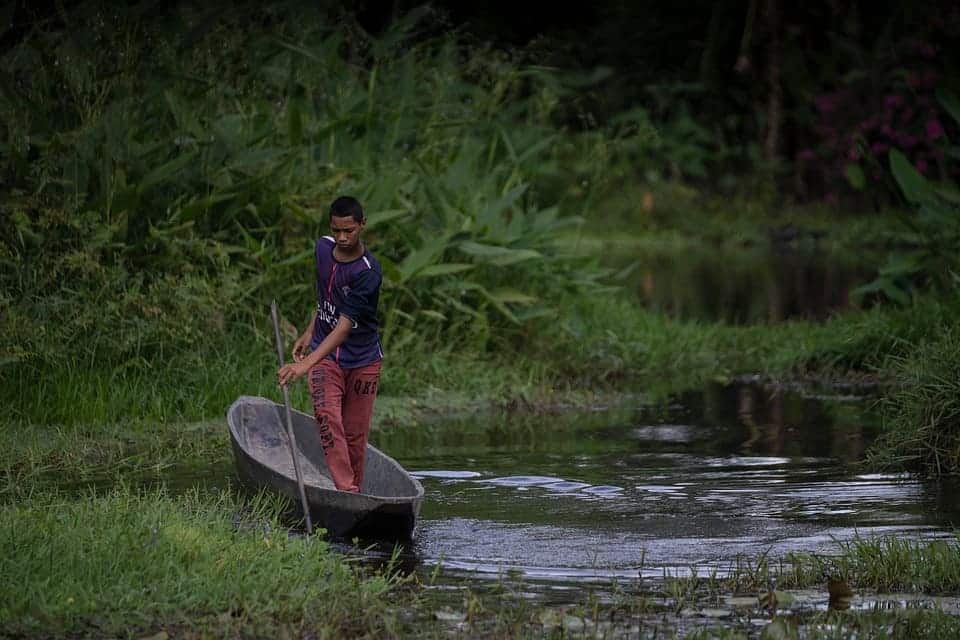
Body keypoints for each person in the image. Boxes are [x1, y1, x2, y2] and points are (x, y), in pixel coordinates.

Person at [277, 196, 383, 493]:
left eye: (349, 230)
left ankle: (355, 495)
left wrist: (303, 364)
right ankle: (346, 493)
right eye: (336, 230)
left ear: (362, 225)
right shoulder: (323, 249)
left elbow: (344, 327)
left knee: (354, 436)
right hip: (327, 357)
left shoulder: (367, 272)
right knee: (327, 419)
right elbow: (327, 296)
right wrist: (311, 331)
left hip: (363, 360)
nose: (342, 237)